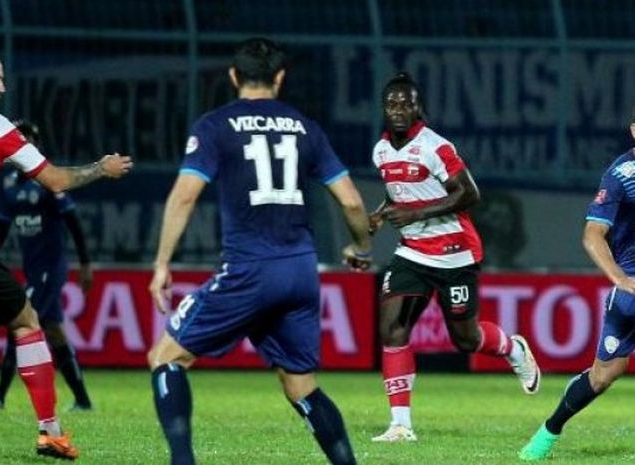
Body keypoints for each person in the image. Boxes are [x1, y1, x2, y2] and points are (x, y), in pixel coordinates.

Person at [147, 37, 371, 465]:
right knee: (300, 384)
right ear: (280, 79)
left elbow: (184, 197)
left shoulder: (214, 126)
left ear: (233, 77)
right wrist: (361, 247)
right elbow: (352, 201)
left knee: (165, 358)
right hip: (301, 271)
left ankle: (182, 462)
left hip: (249, 269)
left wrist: (161, 264)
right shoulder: (306, 127)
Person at [0, 47, 132, 460]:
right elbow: (56, 179)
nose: (2, 88)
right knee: (26, 323)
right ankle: (50, 431)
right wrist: (101, 168)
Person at [367, 72, 541, 443]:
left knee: (465, 338)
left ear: (418, 107)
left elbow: (469, 194)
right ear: (383, 108)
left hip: (453, 253)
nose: (398, 110)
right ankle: (401, 424)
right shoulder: (381, 150)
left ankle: (513, 348)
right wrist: (382, 213)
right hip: (411, 253)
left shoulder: (435, 146)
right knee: (392, 327)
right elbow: (400, 193)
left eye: (406, 103)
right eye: (391, 104)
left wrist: (415, 215)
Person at [518, 112, 635, 460]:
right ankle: (548, 431)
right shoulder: (621, 176)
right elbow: (592, 234)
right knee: (603, 375)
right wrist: (620, 278)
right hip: (631, 289)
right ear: (633, 130)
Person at [0, 120, 93, 412]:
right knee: (52, 329)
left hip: (50, 267)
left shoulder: (47, 179)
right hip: (33, 266)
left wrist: (86, 264)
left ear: (35, 145)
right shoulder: (10, 182)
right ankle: (83, 400)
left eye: (25, 140)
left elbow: (73, 222)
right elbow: (1, 228)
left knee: (19, 322)